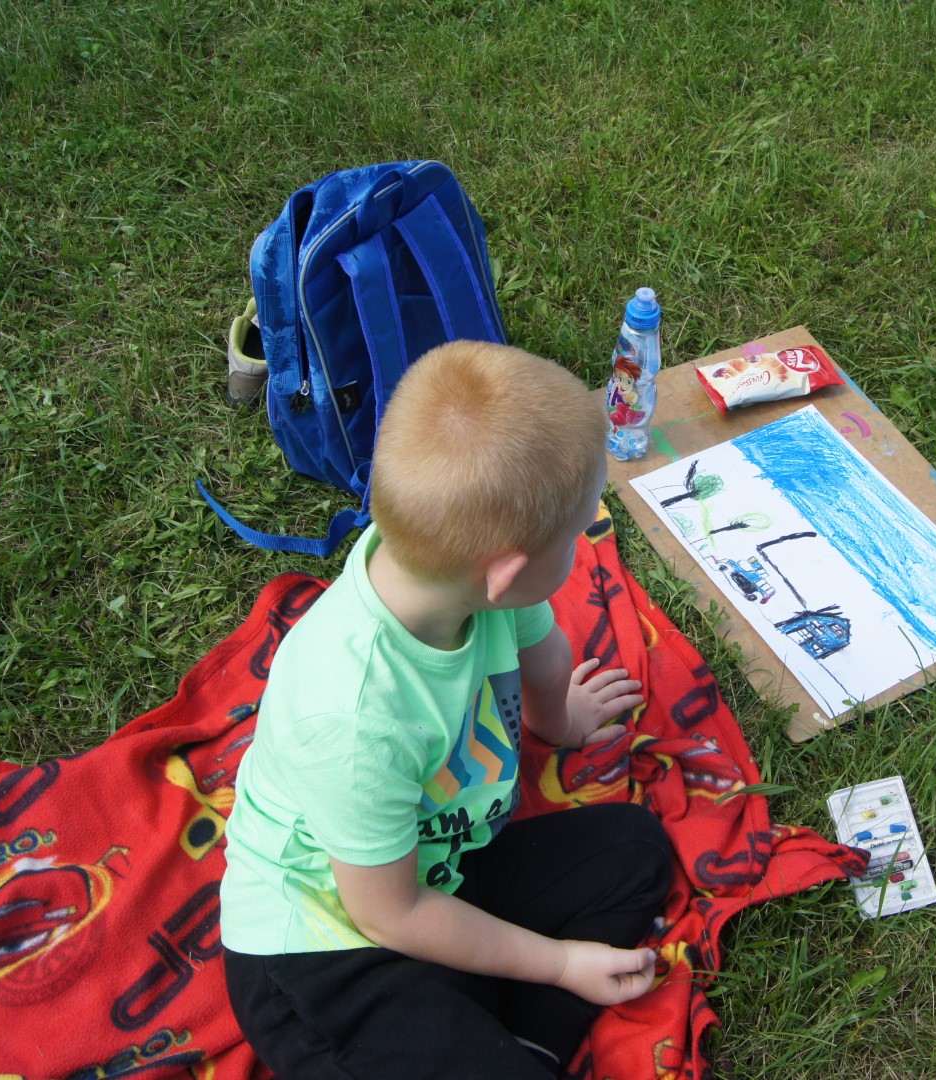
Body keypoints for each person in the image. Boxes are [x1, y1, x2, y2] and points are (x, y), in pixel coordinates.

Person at [220, 341, 675, 1078]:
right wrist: (560, 963)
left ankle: (514, 1039)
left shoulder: (445, 565)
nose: (583, 543)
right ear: (508, 573)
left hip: (443, 871)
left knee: (633, 849)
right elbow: (388, 913)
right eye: (575, 535)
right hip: (328, 945)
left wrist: (560, 723)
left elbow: (544, 656)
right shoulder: (353, 716)